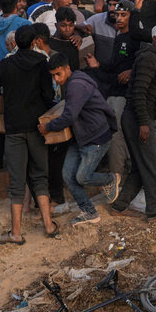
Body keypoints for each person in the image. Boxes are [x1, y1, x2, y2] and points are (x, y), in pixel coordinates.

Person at [0, 24, 57, 244]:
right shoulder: (42, 64)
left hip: (14, 129)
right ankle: (49, 225)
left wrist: (5, 89)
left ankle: (16, 233)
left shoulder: (6, 64)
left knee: (16, 181)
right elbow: (49, 94)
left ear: (15, 43)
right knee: (39, 177)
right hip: (37, 128)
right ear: (34, 42)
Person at [110, 23, 156, 220]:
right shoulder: (149, 58)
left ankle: (120, 206)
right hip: (139, 117)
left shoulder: (153, 58)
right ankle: (153, 212)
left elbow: (154, 84)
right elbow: (138, 92)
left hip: (137, 117)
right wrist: (143, 123)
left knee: (141, 166)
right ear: (155, 39)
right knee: (151, 165)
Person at [41, 53, 117, 223]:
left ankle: (111, 179)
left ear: (67, 69)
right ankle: (89, 212)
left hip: (96, 137)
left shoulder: (76, 85)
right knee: (68, 175)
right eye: (53, 75)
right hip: (82, 136)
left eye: (58, 74)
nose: (56, 79)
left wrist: (48, 127)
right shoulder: (71, 82)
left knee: (82, 177)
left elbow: (69, 116)